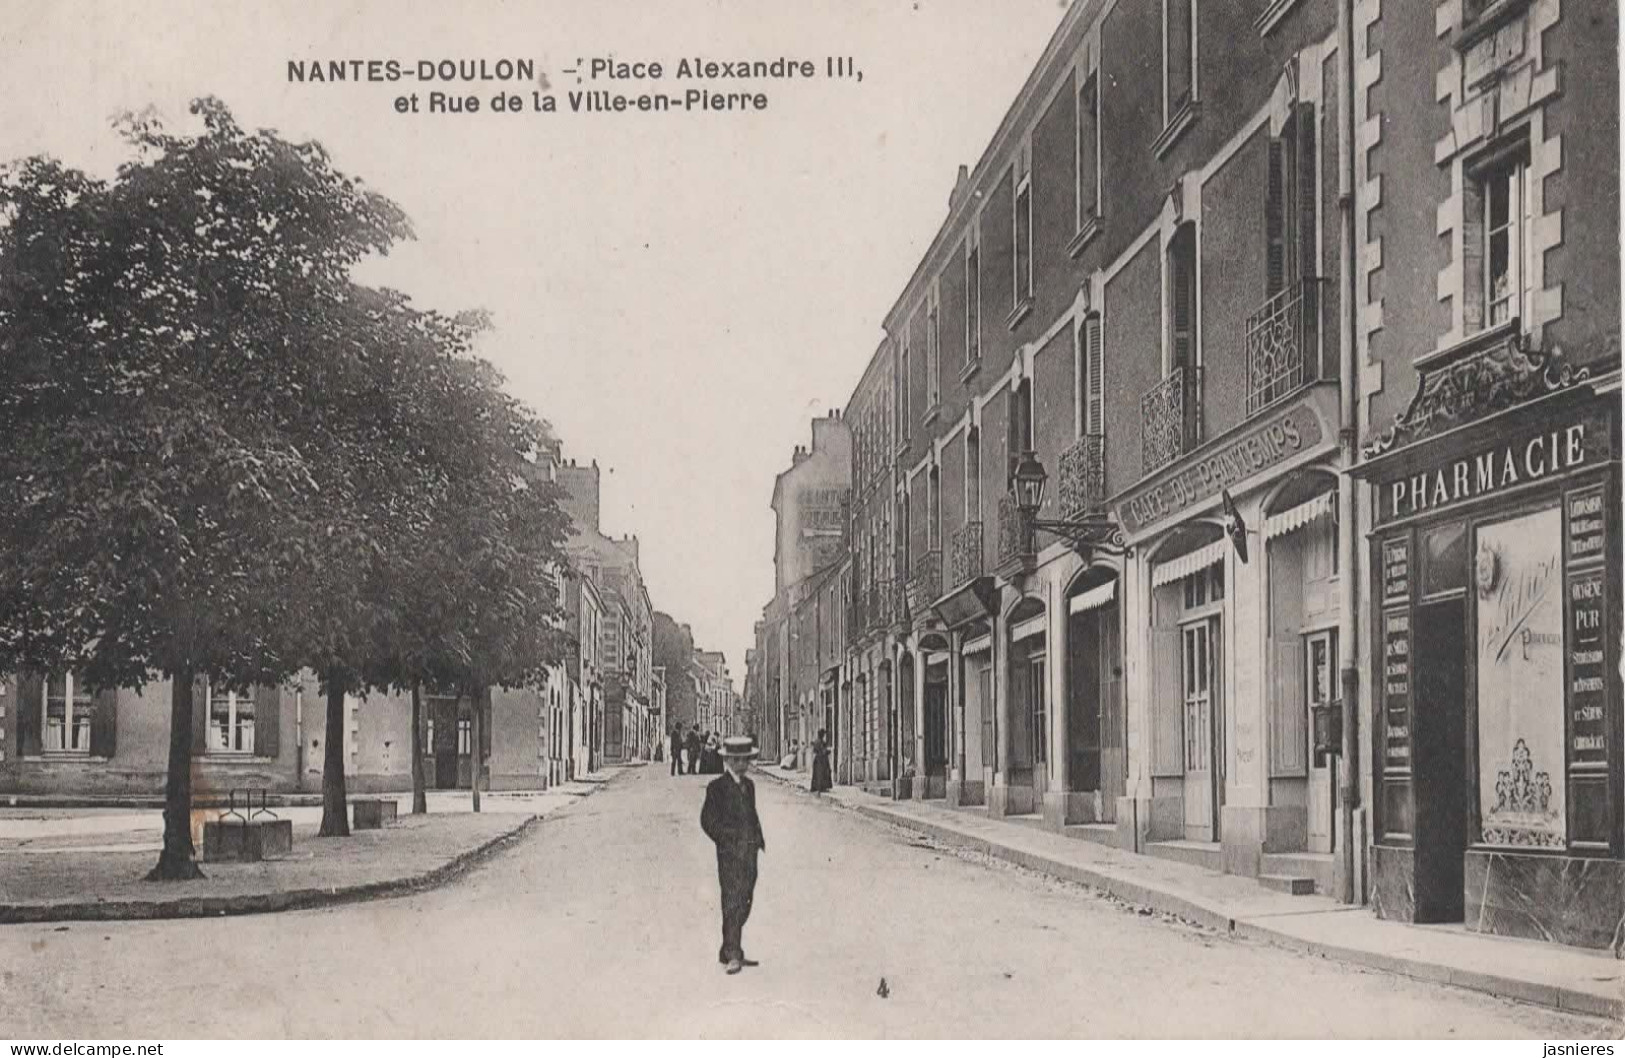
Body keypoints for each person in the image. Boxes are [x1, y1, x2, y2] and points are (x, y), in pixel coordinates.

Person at [699, 735, 766, 974]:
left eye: (745, 760)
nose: (741, 765)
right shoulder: (716, 787)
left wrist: (758, 839)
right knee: (732, 900)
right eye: (736, 760)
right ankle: (733, 953)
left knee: (746, 899)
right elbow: (707, 820)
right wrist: (726, 838)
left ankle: (727, 948)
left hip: (749, 854)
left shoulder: (749, 786)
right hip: (729, 855)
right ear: (727, 760)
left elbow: (752, 814)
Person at [810, 728, 832, 794]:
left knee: (817, 773)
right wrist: (828, 751)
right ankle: (822, 787)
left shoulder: (816, 741)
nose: (824, 735)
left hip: (817, 759)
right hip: (822, 759)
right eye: (823, 734)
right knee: (822, 773)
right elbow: (823, 751)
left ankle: (816, 787)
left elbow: (814, 750)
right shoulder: (821, 742)